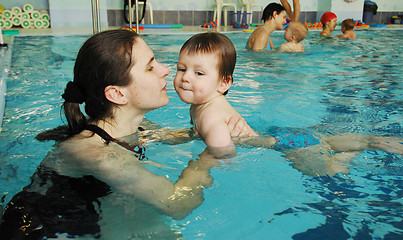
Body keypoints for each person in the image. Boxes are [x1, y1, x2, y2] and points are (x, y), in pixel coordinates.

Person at [0, 29, 249, 239]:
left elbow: (172, 137)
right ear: (118, 94)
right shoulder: (98, 154)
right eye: (151, 67)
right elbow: (177, 204)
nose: (166, 70)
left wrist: (214, 129)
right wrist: (210, 157)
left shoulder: (135, 125)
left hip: (97, 207)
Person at [175, 32, 403, 174]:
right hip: (282, 135)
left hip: (282, 143)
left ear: (223, 83)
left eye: (199, 73)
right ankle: (371, 142)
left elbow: (225, 155)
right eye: (181, 69)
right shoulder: (205, 104)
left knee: (329, 171)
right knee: (326, 141)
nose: (186, 77)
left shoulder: (210, 115)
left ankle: (347, 155)